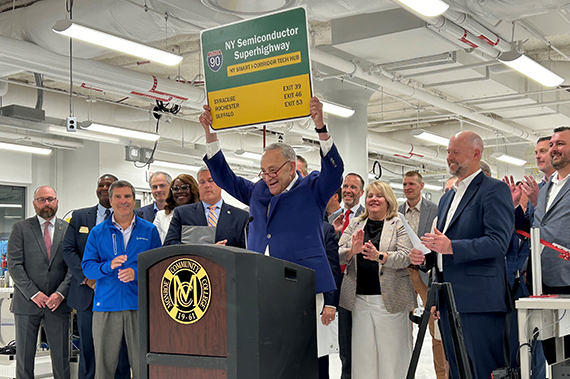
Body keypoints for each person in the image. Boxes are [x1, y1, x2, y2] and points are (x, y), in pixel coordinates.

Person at [198, 96, 342, 295]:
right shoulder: (258, 190)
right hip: (259, 281)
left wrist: (320, 127)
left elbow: (334, 173)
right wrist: (210, 132)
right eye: (263, 171)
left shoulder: (312, 188)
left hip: (302, 282)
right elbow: (225, 178)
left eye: (273, 170)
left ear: (291, 167)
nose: (267, 177)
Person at [410, 131, 514, 379]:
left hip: (480, 303)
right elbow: (442, 249)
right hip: (449, 301)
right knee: (456, 370)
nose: (449, 158)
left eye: (455, 152)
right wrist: (428, 261)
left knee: (484, 370)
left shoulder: (493, 190)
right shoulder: (448, 198)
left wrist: (452, 247)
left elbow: (498, 243)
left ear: (476, 154)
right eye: (448, 152)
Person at [82, 180, 161, 379]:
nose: (123, 201)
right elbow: (88, 268)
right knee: (104, 365)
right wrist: (108, 266)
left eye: (127, 196)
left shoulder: (149, 231)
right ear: (110, 200)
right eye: (117, 197)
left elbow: (159, 267)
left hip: (139, 305)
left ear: (134, 200)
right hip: (106, 305)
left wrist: (136, 271)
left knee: (143, 364)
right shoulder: (97, 232)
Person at [338, 181, 415, 379]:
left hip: (391, 301)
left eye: (379, 196)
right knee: (363, 357)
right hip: (359, 300)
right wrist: (350, 251)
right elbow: (337, 252)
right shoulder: (356, 223)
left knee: (392, 358)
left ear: (388, 200)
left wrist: (380, 256)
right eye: (370, 195)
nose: (373, 199)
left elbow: (406, 255)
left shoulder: (399, 222)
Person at [62, 174, 131, 379]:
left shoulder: (132, 219)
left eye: (108, 185)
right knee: (88, 347)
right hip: (87, 294)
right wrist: (87, 278)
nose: (103, 188)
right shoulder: (80, 217)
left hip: (119, 293)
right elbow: (68, 250)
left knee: (120, 347)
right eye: (100, 184)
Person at [7, 186, 71, 379]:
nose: (47, 204)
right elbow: (14, 265)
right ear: (34, 203)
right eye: (42, 200)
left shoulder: (68, 230)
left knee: (61, 358)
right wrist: (34, 293)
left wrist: (60, 293)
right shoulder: (20, 229)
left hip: (58, 304)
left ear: (57, 202)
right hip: (27, 303)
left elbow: (73, 267)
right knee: (25, 358)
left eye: (51, 199)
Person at [398, 171, 446, 379]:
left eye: (412, 184)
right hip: (402, 275)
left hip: (427, 275)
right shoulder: (396, 211)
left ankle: (442, 375)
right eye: (405, 184)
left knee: (436, 332)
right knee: (402, 329)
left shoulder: (435, 210)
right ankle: (403, 373)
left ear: (421, 186)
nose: (408, 187)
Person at [297, 160, 342, 379]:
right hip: (281, 304)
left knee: (317, 360)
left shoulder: (324, 230)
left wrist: (331, 303)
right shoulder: (270, 226)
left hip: (315, 303)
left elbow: (333, 268)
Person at [534, 127, 570, 364]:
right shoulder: (545, 188)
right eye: (552, 144)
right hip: (542, 279)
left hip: (568, 278)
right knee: (553, 356)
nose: (554, 149)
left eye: (561, 144)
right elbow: (538, 226)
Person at [331, 172, 366, 379]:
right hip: (336, 282)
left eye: (353, 187)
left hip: (358, 284)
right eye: (346, 186)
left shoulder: (368, 216)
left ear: (361, 193)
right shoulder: (331, 217)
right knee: (343, 341)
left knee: (360, 340)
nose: (348, 191)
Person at [164, 168, 248, 247]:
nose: (207, 185)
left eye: (211, 181)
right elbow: (169, 244)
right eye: (202, 182)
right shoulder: (182, 213)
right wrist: (205, 250)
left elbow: (246, 250)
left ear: (221, 184)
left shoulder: (240, 217)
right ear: (198, 186)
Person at [153, 174, 200, 243]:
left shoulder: (203, 213)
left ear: (193, 190)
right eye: (175, 189)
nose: (180, 191)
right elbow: (154, 242)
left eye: (184, 187)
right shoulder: (161, 216)